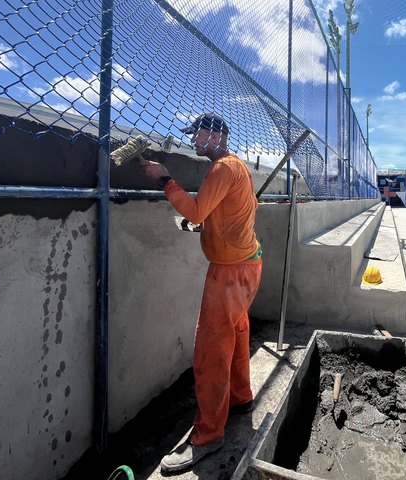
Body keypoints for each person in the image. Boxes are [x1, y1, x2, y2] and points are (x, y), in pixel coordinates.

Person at [139, 112, 262, 473]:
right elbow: (223, 214)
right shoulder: (238, 167)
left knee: (211, 349)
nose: (194, 141)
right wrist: (207, 229)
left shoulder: (223, 168)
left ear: (215, 135)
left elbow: (195, 208)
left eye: (198, 135)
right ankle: (241, 399)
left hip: (227, 274)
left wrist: (164, 179)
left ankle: (208, 436)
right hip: (247, 265)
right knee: (237, 334)